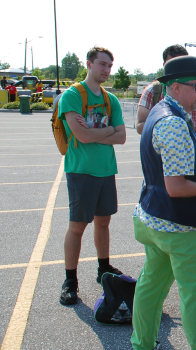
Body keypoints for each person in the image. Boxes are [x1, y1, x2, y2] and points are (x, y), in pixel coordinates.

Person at [131, 56, 196, 350]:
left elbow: (176, 164)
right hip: (181, 227)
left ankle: (141, 344)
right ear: (175, 87)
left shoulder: (158, 112)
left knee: (150, 286)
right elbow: (176, 187)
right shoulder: (174, 124)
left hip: (152, 218)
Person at [57, 46, 126, 305]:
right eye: (102, 64)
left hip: (106, 170)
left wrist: (101, 133)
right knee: (77, 228)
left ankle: (103, 269)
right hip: (81, 171)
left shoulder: (111, 100)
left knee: (103, 223)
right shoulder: (73, 96)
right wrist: (108, 131)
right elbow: (82, 136)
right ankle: (70, 280)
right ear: (89, 64)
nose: (107, 70)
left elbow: (122, 137)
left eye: (110, 65)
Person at [136, 44, 196, 161]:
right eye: (176, 63)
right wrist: (175, 134)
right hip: (166, 160)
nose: (182, 68)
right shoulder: (153, 91)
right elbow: (141, 126)